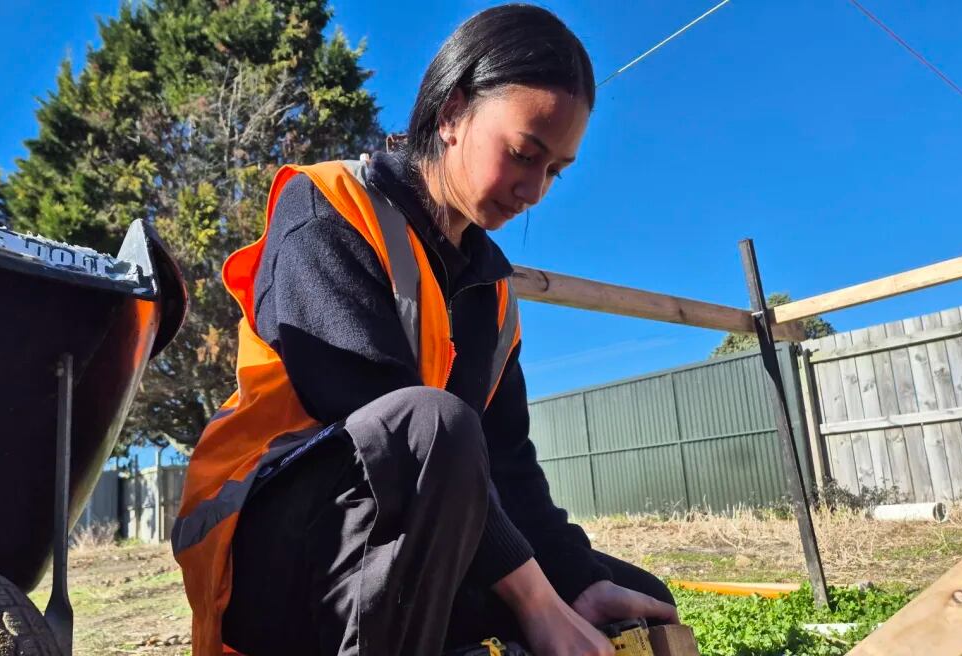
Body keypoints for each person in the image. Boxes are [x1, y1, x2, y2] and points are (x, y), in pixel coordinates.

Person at [172, 5, 678, 655]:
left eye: (555, 170)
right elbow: (393, 433)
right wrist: (535, 601)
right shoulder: (329, 210)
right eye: (524, 153)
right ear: (452, 113)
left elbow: (510, 463)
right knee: (430, 426)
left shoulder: (490, 294)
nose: (534, 190)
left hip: (406, 550)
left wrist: (576, 582)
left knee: (633, 602)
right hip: (270, 561)